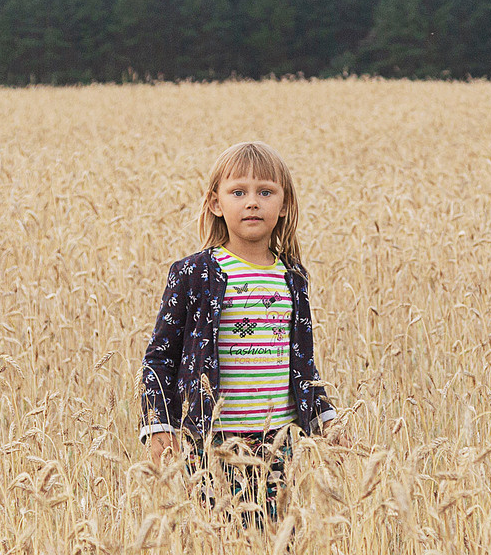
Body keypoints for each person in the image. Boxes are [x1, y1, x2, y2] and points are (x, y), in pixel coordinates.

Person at [139, 140, 343, 520]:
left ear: (283, 207)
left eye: (266, 192)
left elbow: (301, 364)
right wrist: (157, 424)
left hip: (277, 443)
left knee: (277, 543)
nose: (253, 202)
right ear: (216, 203)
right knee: (219, 545)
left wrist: (324, 419)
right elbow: (160, 357)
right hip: (211, 442)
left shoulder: (292, 280)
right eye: (238, 192)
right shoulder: (195, 274)